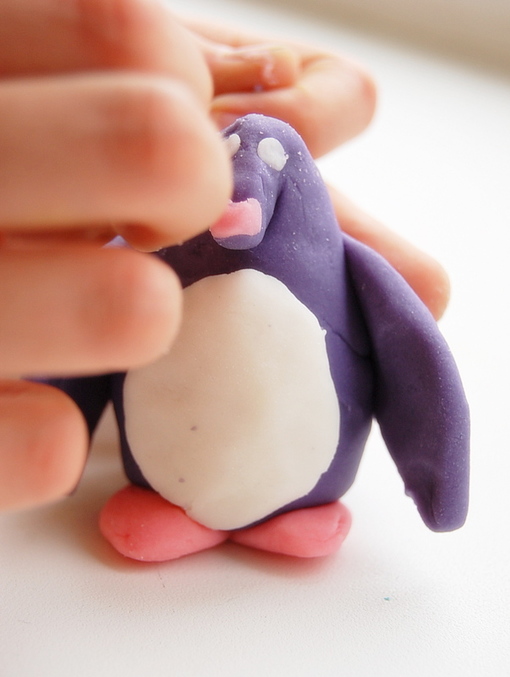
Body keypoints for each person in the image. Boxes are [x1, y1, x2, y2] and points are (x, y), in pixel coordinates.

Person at [0, 0, 450, 512]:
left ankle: (291, 517)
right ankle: (170, 507)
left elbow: (413, 355)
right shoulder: (146, 247)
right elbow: (85, 328)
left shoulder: (344, 263)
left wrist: (436, 481)